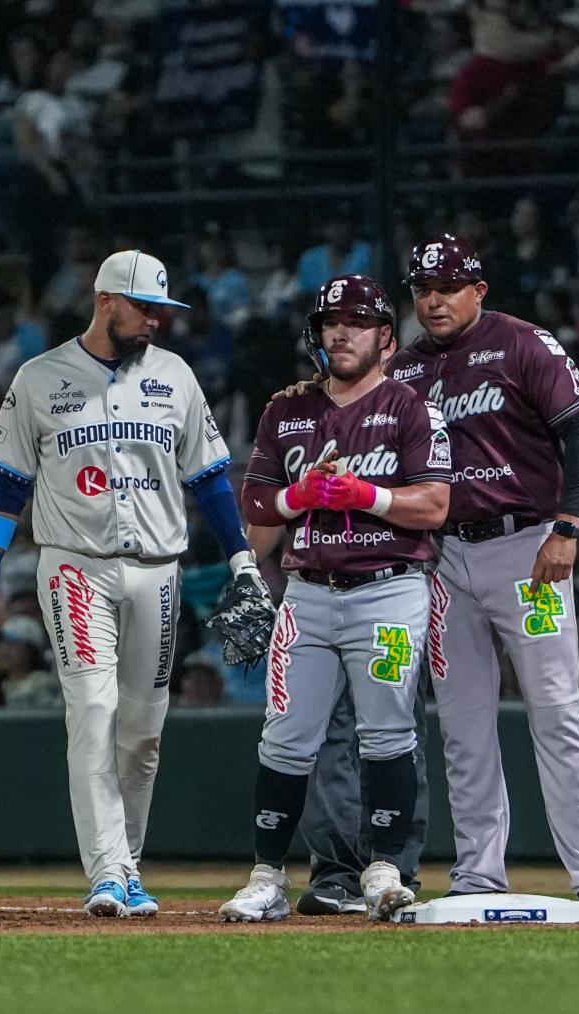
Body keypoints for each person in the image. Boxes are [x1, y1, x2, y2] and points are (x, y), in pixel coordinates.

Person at [0, 250, 249, 919]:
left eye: (160, 309)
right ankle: (107, 872)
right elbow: (6, 487)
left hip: (157, 568)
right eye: (143, 307)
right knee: (93, 710)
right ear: (104, 301)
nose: (155, 320)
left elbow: (210, 479)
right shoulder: (40, 377)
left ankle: (128, 865)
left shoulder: (174, 376)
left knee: (143, 731)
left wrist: (241, 560)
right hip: (74, 564)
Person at [386, 234, 579, 921]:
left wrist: (568, 526)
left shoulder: (522, 343)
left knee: (556, 707)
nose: (434, 301)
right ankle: (478, 872)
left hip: (528, 550)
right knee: (462, 722)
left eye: (448, 287)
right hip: (444, 558)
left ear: (478, 289)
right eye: (423, 290)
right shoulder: (405, 369)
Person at [218, 275, 452, 925]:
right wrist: (298, 500)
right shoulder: (287, 409)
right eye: (330, 321)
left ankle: (386, 870)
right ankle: (267, 875)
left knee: (388, 730)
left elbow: (435, 504)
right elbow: (256, 510)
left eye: (357, 321)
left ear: (386, 337)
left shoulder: (411, 407)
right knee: (286, 738)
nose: (341, 332)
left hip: (391, 588)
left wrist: (364, 495)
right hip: (308, 592)